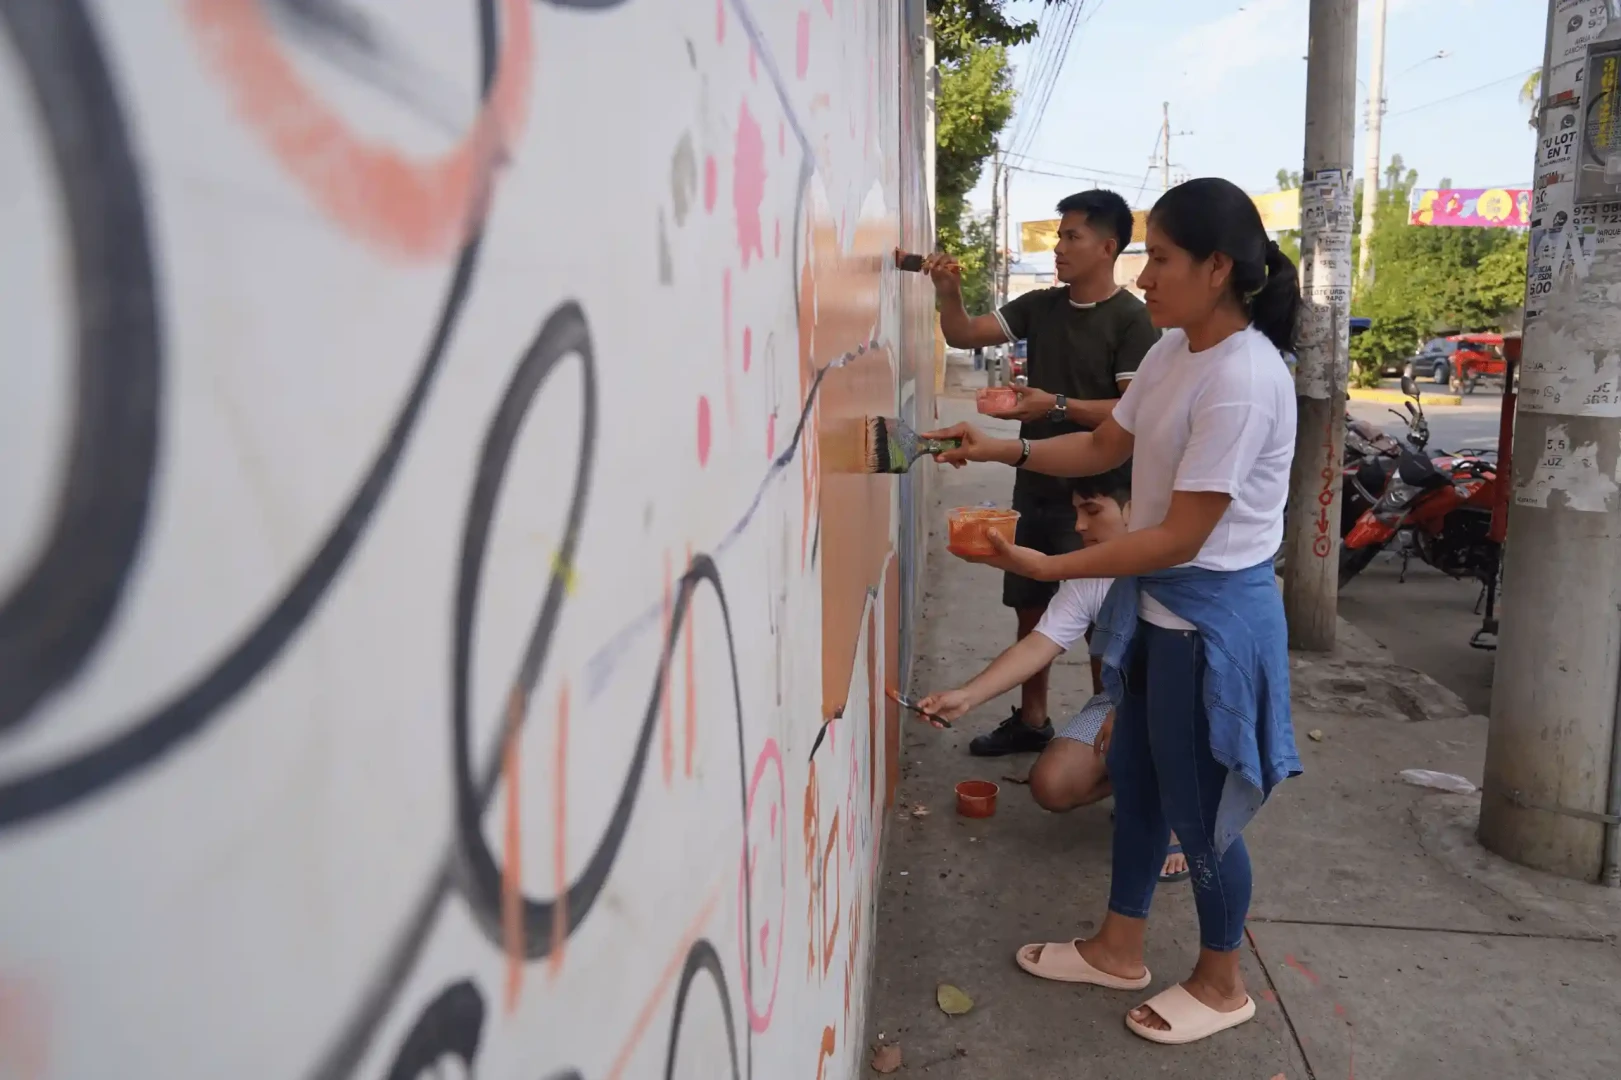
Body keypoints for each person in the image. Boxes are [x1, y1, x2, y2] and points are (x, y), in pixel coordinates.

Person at [925, 177, 1303, 1047]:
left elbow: (1176, 536)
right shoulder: (1175, 353)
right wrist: (997, 444)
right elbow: (1102, 445)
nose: (1143, 278)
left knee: (1203, 813)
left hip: (1210, 628)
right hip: (1159, 620)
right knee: (1137, 782)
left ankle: (1220, 981)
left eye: (1159, 258)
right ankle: (1116, 947)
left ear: (1216, 269)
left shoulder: (1242, 379)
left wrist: (1056, 563)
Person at [921, 190, 1159, 758]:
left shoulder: (1133, 320)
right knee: (1031, 602)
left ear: (1107, 247)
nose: (1059, 247)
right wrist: (947, 292)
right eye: (1058, 235)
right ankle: (1032, 720)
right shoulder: (1040, 305)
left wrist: (1054, 405)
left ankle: (1113, 736)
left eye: (1071, 236)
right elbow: (962, 334)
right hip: (1036, 477)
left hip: (1104, 490)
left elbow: (1132, 416)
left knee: (1106, 615)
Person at [914, 467, 1188, 882]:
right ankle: (1144, 787)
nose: (1079, 525)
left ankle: (1185, 813)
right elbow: (1039, 643)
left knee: (1166, 723)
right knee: (1052, 785)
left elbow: (1195, 672)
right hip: (1123, 698)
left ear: (1134, 510)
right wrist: (967, 696)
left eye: (1092, 511)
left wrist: (1136, 712)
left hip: (1188, 701)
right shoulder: (1090, 574)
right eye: (1076, 511)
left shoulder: (1180, 569)